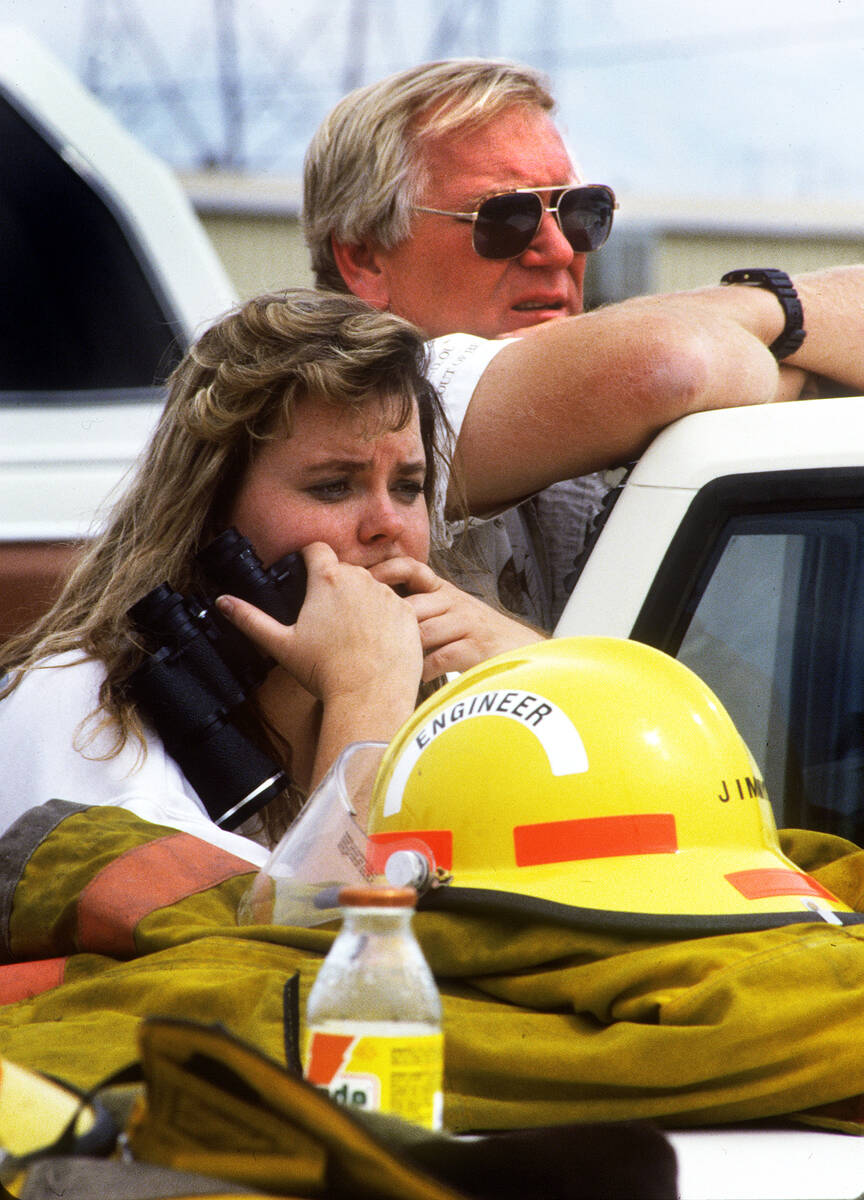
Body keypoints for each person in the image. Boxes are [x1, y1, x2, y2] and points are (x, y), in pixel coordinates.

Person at [303, 57, 864, 629]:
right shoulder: (344, 395)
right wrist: (776, 328)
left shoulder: (569, 442)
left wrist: (756, 358)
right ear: (365, 257)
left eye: (579, 212)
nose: (561, 250)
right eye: (504, 217)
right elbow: (670, 365)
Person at [0, 289, 540, 863]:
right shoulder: (82, 706)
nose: (388, 525)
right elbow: (319, 940)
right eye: (333, 485)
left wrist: (540, 673)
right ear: (210, 517)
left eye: (408, 487)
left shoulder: (453, 697)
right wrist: (365, 703)